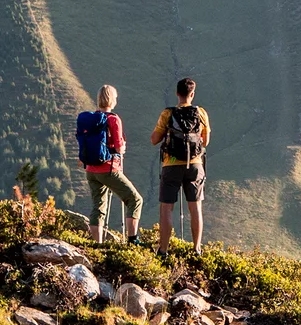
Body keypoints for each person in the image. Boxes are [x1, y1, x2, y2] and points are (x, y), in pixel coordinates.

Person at [151, 76, 211, 253]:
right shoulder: (201, 113)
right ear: (192, 94)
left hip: (171, 165)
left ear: (177, 93)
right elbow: (205, 141)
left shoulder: (168, 114)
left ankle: (163, 250)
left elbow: (154, 139)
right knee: (195, 207)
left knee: (166, 208)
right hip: (195, 165)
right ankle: (197, 248)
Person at [77, 85, 140, 242]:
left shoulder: (92, 120)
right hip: (108, 168)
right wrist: (122, 148)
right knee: (135, 200)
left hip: (91, 169)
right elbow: (119, 147)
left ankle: (97, 243)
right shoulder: (113, 119)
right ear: (113, 100)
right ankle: (133, 239)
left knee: (98, 206)